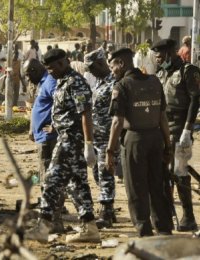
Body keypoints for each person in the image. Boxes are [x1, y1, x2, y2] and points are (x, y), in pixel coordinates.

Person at [26, 49, 100, 243]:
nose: (50, 72)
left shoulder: (76, 82)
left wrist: (88, 144)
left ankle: (43, 226)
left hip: (71, 140)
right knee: (77, 184)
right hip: (65, 137)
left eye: (51, 69)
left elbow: (86, 113)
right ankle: (89, 227)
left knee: (50, 180)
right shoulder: (62, 81)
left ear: (61, 64)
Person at [105, 48, 173, 237]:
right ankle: (164, 228)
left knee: (136, 187)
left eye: (112, 67)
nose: (112, 71)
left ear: (121, 63)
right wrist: (168, 146)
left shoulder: (122, 86)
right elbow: (162, 118)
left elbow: (117, 122)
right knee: (157, 184)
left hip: (135, 140)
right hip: (156, 138)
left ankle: (144, 229)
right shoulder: (155, 81)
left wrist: (109, 152)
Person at [152, 39, 199, 231]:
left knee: (180, 172)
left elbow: (195, 100)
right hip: (162, 127)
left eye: (161, 56)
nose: (159, 60)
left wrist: (188, 129)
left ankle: (188, 216)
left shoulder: (188, 71)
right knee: (164, 173)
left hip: (181, 127)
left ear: (171, 53)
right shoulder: (161, 73)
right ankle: (167, 216)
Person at [84, 50, 117, 229]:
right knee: (97, 174)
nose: (90, 72)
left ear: (100, 64)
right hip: (96, 138)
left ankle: (106, 211)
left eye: (91, 68)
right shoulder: (98, 82)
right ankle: (109, 209)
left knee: (105, 173)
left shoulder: (114, 83)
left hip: (108, 137)